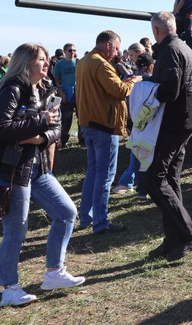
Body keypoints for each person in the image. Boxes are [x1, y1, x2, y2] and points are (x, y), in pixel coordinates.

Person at [0, 43, 85, 307]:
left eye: (47, 59)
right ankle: (9, 288)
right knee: (16, 229)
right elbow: (0, 128)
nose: (47, 63)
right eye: (41, 59)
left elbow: (57, 128)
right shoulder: (13, 87)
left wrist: (40, 137)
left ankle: (53, 273)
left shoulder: (44, 88)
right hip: (11, 170)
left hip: (37, 166)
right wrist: (41, 123)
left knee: (66, 212)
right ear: (26, 62)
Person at [146, 11, 192, 262]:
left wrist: (147, 93)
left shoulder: (169, 50)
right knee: (170, 177)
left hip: (173, 121)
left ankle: (189, 233)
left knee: (153, 178)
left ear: (157, 31)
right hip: (186, 119)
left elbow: (170, 88)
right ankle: (175, 238)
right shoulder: (184, 47)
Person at [75, 31, 141, 234]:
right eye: (117, 47)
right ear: (109, 45)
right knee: (105, 177)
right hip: (104, 126)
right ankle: (101, 223)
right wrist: (134, 81)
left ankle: (86, 217)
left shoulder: (85, 61)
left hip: (90, 124)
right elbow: (119, 90)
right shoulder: (101, 64)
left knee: (93, 173)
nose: (118, 52)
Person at [112, 53, 155, 199]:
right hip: (150, 123)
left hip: (135, 123)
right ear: (151, 66)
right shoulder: (153, 83)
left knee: (136, 154)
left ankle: (140, 188)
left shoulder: (130, 81)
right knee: (147, 157)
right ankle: (143, 188)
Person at [53, 43, 79, 147]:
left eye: (74, 50)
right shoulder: (59, 64)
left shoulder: (78, 62)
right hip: (66, 91)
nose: (72, 52)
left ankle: (82, 137)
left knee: (80, 116)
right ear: (64, 52)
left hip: (77, 90)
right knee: (66, 117)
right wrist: (60, 92)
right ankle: (63, 139)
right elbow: (56, 79)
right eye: (70, 50)